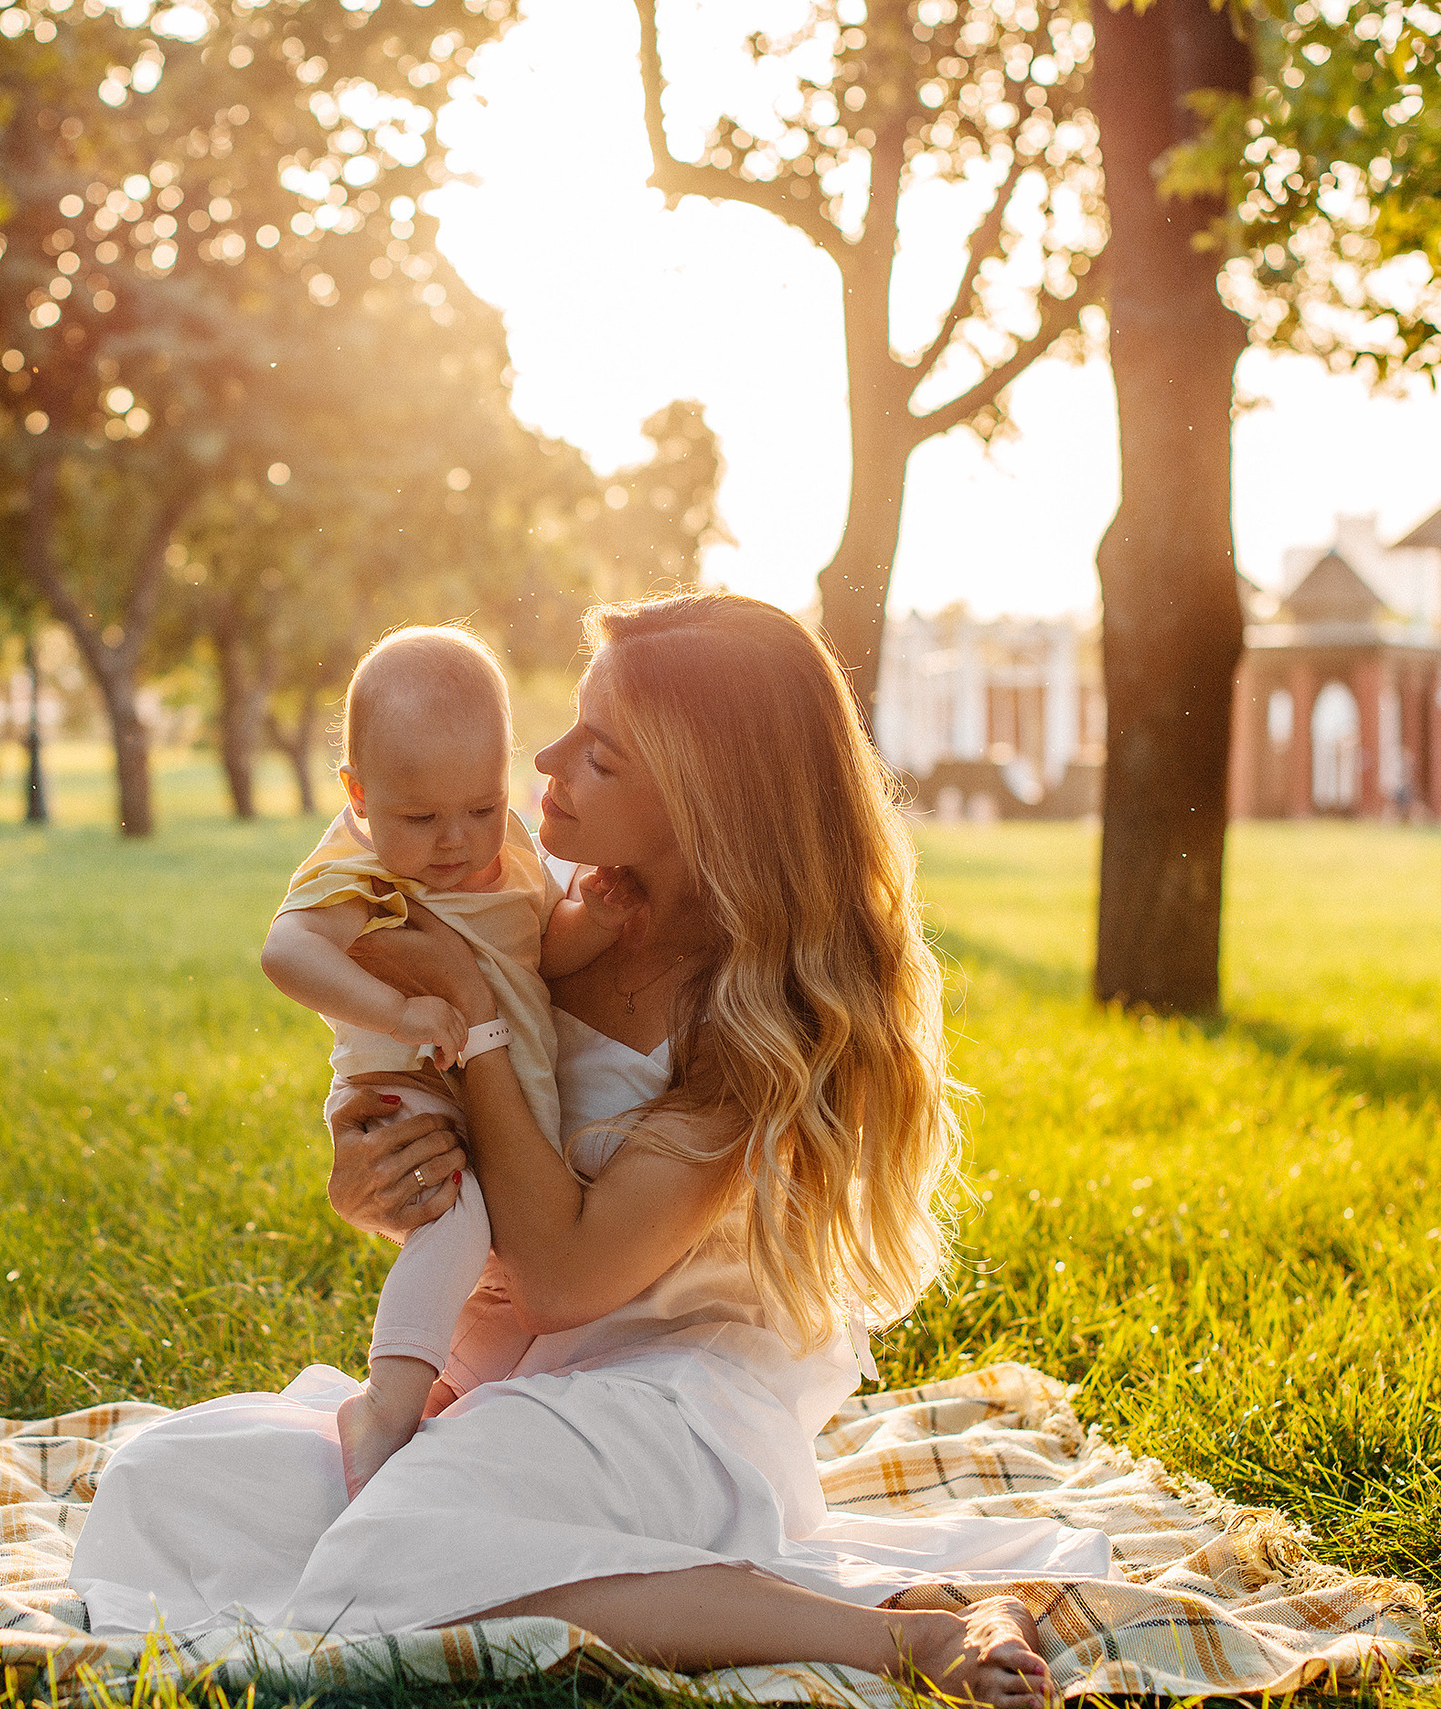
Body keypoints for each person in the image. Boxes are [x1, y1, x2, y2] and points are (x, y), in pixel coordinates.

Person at [73, 594, 1110, 1708]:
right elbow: (466, 1178)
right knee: (161, 1486)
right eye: (570, 726)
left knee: (392, 1551)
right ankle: (611, 1569)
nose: (547, 762)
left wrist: (470, 1007)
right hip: (512, 1381)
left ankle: (896, 1632)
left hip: (672, 1405)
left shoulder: (751, 1020)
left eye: (600, 754)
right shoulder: (543, 905)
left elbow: (562, 1276)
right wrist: (377, 1180)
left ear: (701, 799)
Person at [261, 626, 633, 1495]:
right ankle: (385, 1403)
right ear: (359, 793)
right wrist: (397, 1009)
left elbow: (540, 949)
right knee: (458, 1222)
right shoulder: (359, 863)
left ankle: (452, 1390)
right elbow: (288, 951)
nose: (457, 840)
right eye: (420, 818)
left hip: (502, 1092)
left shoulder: (512, 845)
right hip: (409, 1084)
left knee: (498, 1259)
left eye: (480, 805)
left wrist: (597, 923)